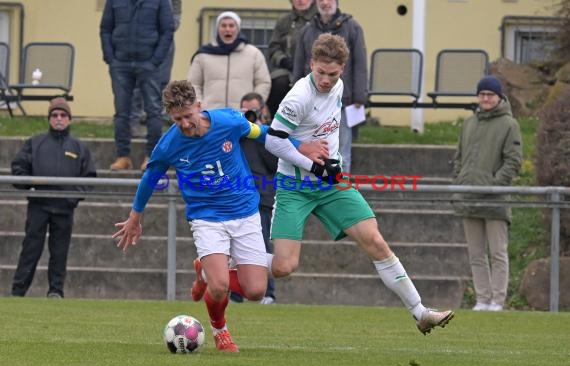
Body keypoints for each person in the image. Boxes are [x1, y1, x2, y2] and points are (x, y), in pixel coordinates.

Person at [197, 34, 454, 335]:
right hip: (295, 186)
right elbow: (273, 142)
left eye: (332, 74)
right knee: (283, 267)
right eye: (320, 72)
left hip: (332, 183)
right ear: (311, 65)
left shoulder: (339, 87)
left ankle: (420, 312)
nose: (326, 80)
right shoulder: (298, 98)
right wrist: (311, 162)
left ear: (342, 69)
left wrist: (325, 166)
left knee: (375, 241)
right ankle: (218, 266)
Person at [112, 80, 324, 352]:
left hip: (245, 211)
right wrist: (135, 216)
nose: (186, 124)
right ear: (170, 117)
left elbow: (262, 134)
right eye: (178, 120)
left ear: (198, 107)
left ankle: (205, 272)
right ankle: (220, 330)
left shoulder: (229, 121)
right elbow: (150, 177)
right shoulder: (169, 145)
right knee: (220, 285)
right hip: (206, 217)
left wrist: (299, 145)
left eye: (188, 116)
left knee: (256, 291)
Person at [10, 97, 97, 298]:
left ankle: (55, 291)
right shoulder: (35, 143)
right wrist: (29, 185)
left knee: (59, 252)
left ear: (69, 119)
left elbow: (89, 177)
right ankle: (18, 291)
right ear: (49, 119)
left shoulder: (79, 147)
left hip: (64, 209)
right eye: (55, 115)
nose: (59, 119)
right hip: (38, 206)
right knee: (30, 250)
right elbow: (18, 169)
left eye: (63, 115)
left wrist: (72, 198)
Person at [452, 75, 523, 312]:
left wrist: (494, 184)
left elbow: (513, 161)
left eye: (490, 94)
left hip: (495, 199)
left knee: (498, 253)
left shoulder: (509, 125)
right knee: (476, 254)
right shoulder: (469, 124)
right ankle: (482, 299)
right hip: (468, 197)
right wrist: (460, 179)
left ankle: (497, 301)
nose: (485, 98)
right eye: (482, 94)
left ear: (499, 97)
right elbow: (459, 157)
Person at [293, 0, 368, 174]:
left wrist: (359, 96)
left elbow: (360, 64)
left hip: (344, 101)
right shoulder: (306, 30)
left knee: (342, 153)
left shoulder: (353, 27)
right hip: (310, 102)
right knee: (311, 151)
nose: (325, 3)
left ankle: (341, 193)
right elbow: (298, 62)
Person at [100, 0, 174, 171]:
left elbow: (167, 31)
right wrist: (110, 58)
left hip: (149, 62)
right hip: (120, 63)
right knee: (121, 113)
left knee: (153, 111)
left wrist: (156, 60)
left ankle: (151, 156)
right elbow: (105, 28)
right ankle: (122, 156)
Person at [230, 92, 278, 305]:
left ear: (263, 111)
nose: (248, 114)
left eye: (253, 110)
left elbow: (275, 165)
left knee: (263, 245)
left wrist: (258, 130)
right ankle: (236, 293)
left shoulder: (269, 136)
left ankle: (267, 294)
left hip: (261, 199)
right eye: (245, 110)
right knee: (235, 247)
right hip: (236, 198)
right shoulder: (233, 135)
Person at [187, 11, 271, 110]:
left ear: (238, 29)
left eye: (231, 25)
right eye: (223, 25)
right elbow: (193, 84)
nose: (227, 29)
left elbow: (263, 82)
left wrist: (253, 106)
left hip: (242, 115)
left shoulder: (254, 54)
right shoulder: (203, 55)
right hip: (212, 115)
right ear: (218, 28)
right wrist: (200, 105)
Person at [130, 0, 182, 139]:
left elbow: (177, 5)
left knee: (162, 80)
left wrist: (174, 22)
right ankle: (134, 121)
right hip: (142, 38)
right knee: (138, 81)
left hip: (166, 38)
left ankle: (157, 120)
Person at [266, 0, 318, 117]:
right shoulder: (284, 21)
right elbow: (273, 47)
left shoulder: (319, 19)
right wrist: (283, 60)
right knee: (278, 83)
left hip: (313, 68)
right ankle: (275, 121)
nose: (300, 1)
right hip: (288, 68)